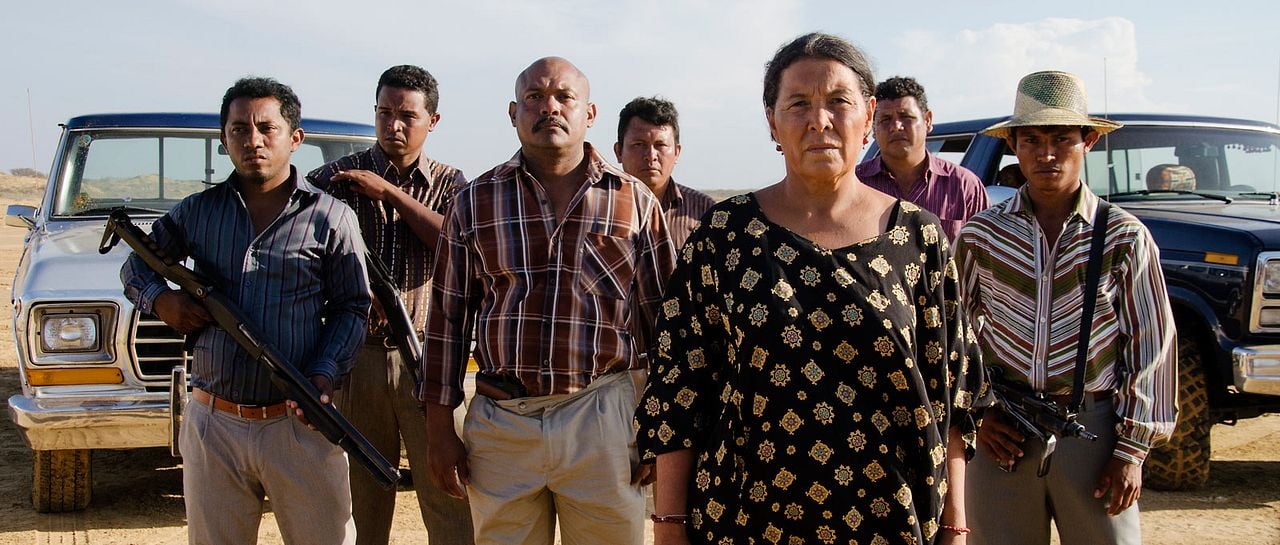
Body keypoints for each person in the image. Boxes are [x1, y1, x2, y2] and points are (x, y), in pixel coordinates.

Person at [634, 33, 986, 545]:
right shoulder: (723, 236)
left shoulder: (918, 238)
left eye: (838, 102)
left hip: (892, 521)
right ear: (772, 122)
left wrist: (955, 522)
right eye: (798, 104)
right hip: (749, 522)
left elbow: (954, 389)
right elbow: (680, 390)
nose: (819, 121)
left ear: (867, 117)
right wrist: (668, 525)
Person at [421, 57, 676, 545]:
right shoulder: (475, 202)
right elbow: (447, 322)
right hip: (503, 422)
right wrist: (439, 429)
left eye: (563, 97)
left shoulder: (634, 201)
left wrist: (660, 432)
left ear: (590, 113)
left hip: (601, 415)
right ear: (514, 112)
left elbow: (663, 326)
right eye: (535, 98)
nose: (549, 108)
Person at [121, 77, 369, 545]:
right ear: (224, 141)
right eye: (238, 130)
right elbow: (138, 265)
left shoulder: (331, 217)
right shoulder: (196, 212)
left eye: (265, 128)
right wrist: (162, 300)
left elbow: (352, 308)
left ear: (294, 138)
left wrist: (322, 372)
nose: (252, 140)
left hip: (298, 422)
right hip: (214, 424)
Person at [955, 70, 1177, 545]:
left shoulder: (1124, 236)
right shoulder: (982, 235)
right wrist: (978, 411)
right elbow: (953, 333)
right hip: (1003, 436)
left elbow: (1151, 344)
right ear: (1014, 144)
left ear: (1088, 141)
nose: (1047, 153)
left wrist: (1131, 452)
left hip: (1093, 432)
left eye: (1062, 138)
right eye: (1031, 139)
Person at [307, 65, 474, 545]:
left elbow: (457, 244)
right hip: (355, 359)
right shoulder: (335, 178)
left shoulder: (450, 182)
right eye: (384, 113)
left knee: (448, 495)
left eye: (407, 115)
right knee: (362, 499)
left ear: (433, 121)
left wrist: (391, 194)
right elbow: (299, 245)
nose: (394, 126)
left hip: (427, 359)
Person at [857, 76, 988, 240]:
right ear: (872, 128)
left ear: (927, 120)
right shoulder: (854, 183)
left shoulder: (964, 187)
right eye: (885, 119)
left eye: (906, 117)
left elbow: (983, 255)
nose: (896, 126)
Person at [614, 96, 716, 250]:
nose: (651, 155)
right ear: (618, 152)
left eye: (660, 145)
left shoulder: (703, 211)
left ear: (677, 153)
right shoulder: (599, 207)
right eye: (639, 144)